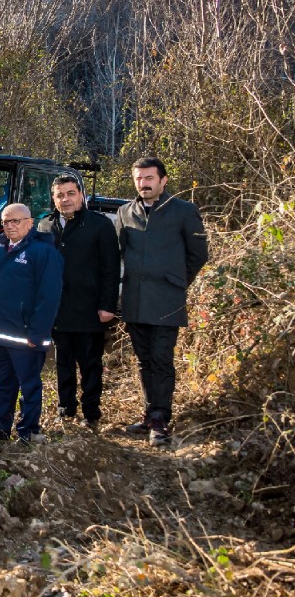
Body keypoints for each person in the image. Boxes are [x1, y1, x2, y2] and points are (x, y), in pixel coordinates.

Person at [116, 156, 209, 446]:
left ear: (163, 180)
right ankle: (149, 414)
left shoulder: (183, 211)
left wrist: (176, 282)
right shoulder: (124, 212)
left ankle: (160, 418)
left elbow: (198, 255)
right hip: (134, 300)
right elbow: (118, 253)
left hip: (167, 300)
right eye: (139, 179)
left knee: (161, 358)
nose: (143, 184)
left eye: (149, 178)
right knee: (144, 361)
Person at [0, 203, 63, 443]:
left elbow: (48, 297)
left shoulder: (43, 252)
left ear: (30, 223)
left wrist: (38, 333)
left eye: (16, 221)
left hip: (26, 335)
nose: (10, 226)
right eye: (6, 222)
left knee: (28, 386)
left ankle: (28, 431)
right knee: (2, 383)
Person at [38, 174, 120, 431]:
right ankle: (66, 408)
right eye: (60, 195)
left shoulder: (99, 225)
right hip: (57, 310)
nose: (66, 199)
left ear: (81, 195)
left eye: (71, 193)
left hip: (89, 309)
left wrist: (108, 305)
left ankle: (91, 413)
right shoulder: (44, 227)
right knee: (63, 361)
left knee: (90, 364)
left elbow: (110, 267)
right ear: (53, 199)